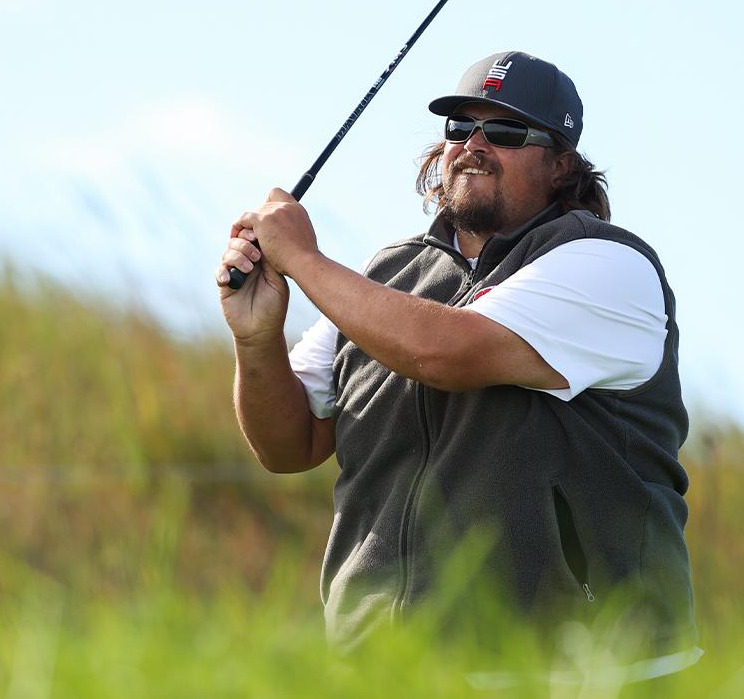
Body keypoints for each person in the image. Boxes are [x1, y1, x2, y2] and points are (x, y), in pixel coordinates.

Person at [217, 51, 696, 659]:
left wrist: (303, 260)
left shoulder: (608, 265)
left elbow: (444, 352)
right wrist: (256, 339)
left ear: (562, 165)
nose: (473, 144)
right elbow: (288, 448)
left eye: (504, 132)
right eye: (458, 127)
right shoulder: (385, 281)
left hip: (582, 670)